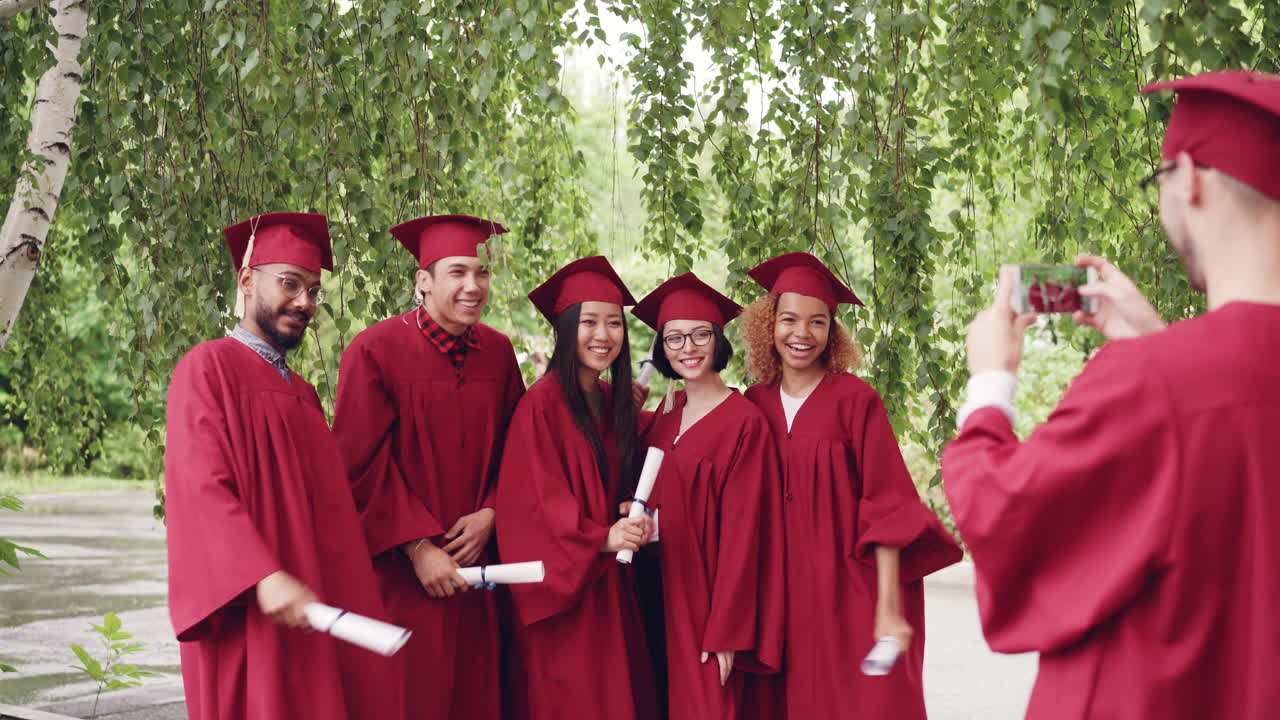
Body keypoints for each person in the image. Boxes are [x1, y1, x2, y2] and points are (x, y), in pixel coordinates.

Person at [944, 70, 1280, 719]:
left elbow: (1005, 516)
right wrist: (1155, 340)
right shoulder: (1164, 375)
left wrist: (990, 382)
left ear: (1191, 178)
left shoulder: (1153, 384)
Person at [164, 212, 401, 720]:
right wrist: (260, 574)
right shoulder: (208, 368)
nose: (304, 302)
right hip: (247, 610)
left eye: (314, 290)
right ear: (248, 281)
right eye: (290, 284)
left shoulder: (304, 397)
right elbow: (201, 488)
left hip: (308, 613)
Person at [740, 252, 962, 719]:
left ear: (833, 332)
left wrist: (886, 607)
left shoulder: (855, 401)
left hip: (850, 593)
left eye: (817, 322)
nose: (802, 334)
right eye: (789, 320)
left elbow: (888, 507)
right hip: (779, 598)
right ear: (768, 324)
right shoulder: (751, 404)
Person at [331, 214, 524, 720]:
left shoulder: (500, 354)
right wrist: (418, 548)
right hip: (402, 577)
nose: (472, 286)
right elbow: (358, 463)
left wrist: (493, 512)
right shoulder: (374, 351)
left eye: (481, 273)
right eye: (457, 272)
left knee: (477, 698)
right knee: (410, 699)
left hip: (480, 571)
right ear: (424, 281)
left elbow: (521, 449)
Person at [495, 256, 659, 720]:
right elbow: (532, 508)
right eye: (589, 322)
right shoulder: (541, 405)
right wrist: (601, 537)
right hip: (567, 600)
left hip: (609, 587)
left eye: (613, 323)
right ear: (567, 328)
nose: (603, 335)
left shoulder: (610, 402)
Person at [631, 272, 785, 720]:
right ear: (661, 347)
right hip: (651, 589)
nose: (688, 347)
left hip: (703, 600)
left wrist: (726, 632)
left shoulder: (744, 422)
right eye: (674, 338)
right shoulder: (663, 415)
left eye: (701, 334)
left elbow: (746, 534)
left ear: (719, 340)